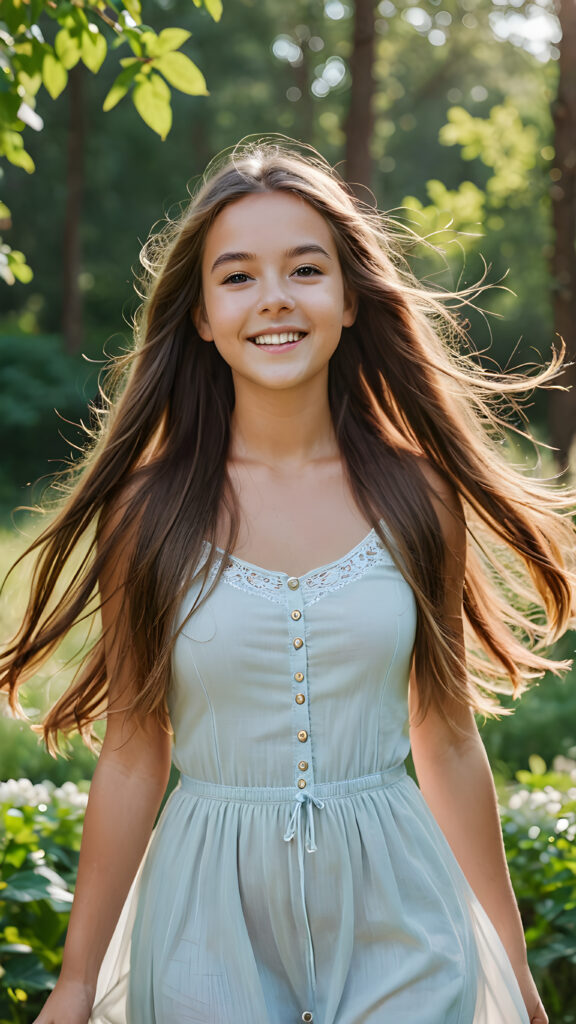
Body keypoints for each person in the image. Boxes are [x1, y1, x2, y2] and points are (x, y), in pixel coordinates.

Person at [2, 139, 574, 1024]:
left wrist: (512, 965)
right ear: (201, 315)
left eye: (306, 269)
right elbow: (133, 750)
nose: (274, 298)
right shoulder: (148, 514)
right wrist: (76, 984)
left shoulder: (418, 496)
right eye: (237, 277)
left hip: (403, 918)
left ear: (349, 298)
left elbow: (449, 739)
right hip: (203, 919)